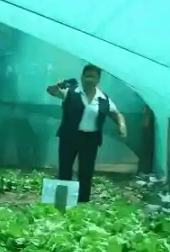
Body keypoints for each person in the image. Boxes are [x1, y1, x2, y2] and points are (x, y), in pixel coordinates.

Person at [46, 63, 127, 203]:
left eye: (93, 77)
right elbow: (51, 91)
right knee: (65, 170)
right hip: (69, 137)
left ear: (98, 80)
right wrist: (57, 86)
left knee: (86, 172)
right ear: (82, 77)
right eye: (87, 76)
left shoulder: (103, 99)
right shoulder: (70, 92)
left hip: (90, 140)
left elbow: (116, 113)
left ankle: (83, 202)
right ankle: (62, 202)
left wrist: (121, 125)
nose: (89, 79)